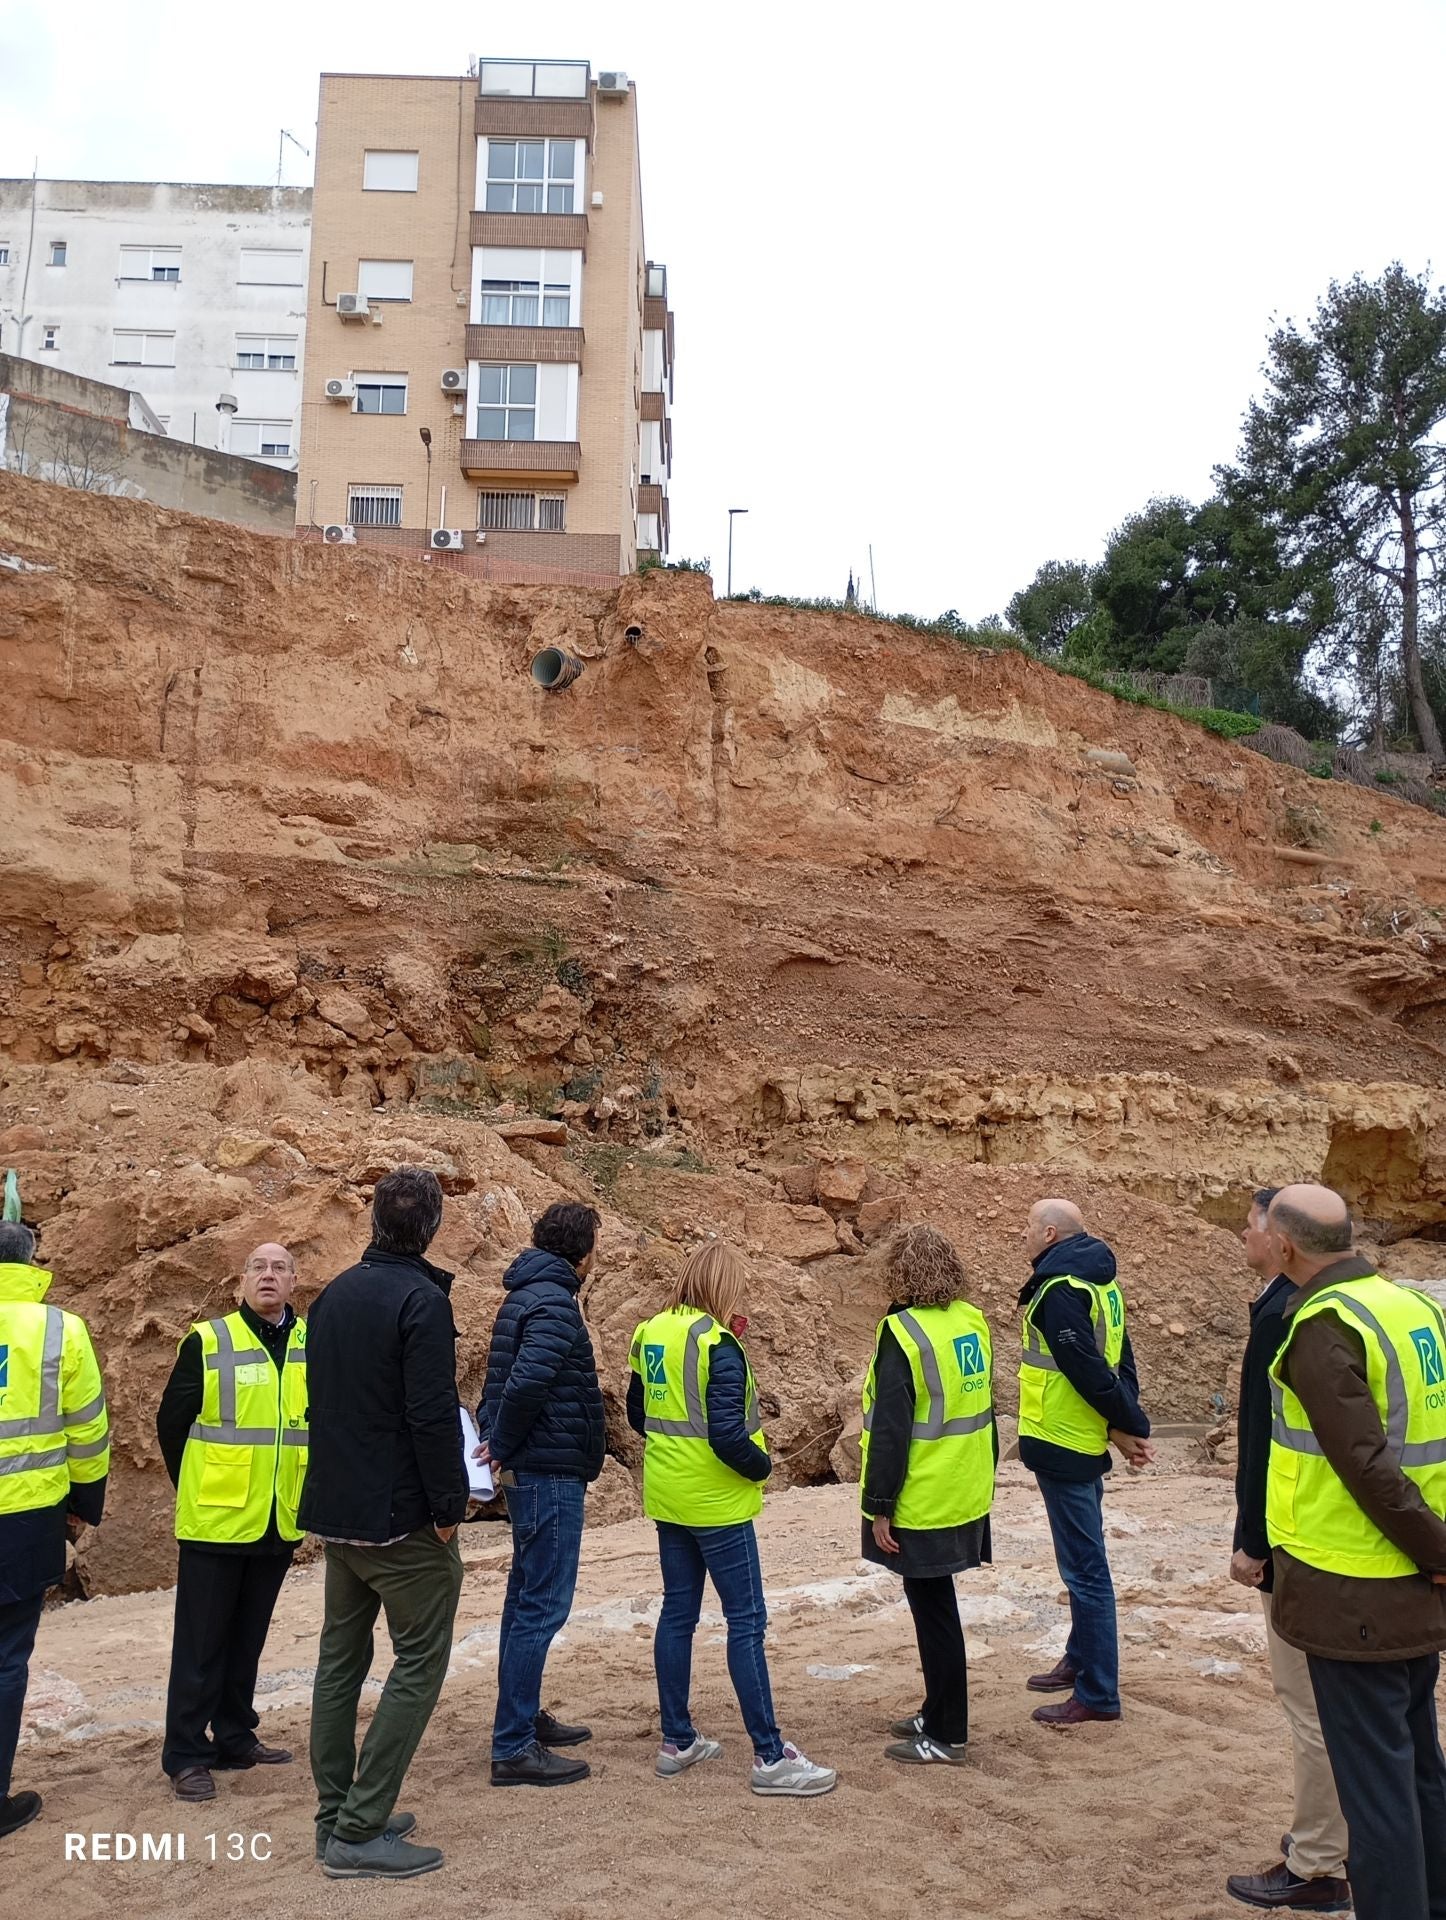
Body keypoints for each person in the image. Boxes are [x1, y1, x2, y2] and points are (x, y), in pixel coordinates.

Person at [1264, 1182, 1446, 1920]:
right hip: (1412, 1585)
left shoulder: (1326, 1323)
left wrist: (1440, 1550)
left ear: (1286, 1246)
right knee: (1417, 1766)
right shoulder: (1414, 1309)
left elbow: (1365, 1466)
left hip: (1357, 1588)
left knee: (1374, 1792)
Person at [302, 1167, 468, 1881]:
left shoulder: (334, 1294)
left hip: (336, 1509)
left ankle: (335, 1814)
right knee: (420, 1661)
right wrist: (449, 1509)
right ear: (431, 1227)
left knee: (341, 1663)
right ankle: (361, 1827)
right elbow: (431, 1417)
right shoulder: (420, 1301)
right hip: (398, 1515)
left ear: (374, 1220)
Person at [628, 1241, 837, 1797]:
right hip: (717, 1501)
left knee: (679, 1614)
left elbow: (635, 1412)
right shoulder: (718, 1344)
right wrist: (762, 1466)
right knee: (746, 1621)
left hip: (669, 1494)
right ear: (723, 1287)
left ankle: (677, 1739)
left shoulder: (650, 1332)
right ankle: (770, 1756)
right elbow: (725, 1432)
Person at [1224, 1190, 1350, 1913]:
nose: (1244, 1233)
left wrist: (1252, 1541)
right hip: (1358, 1545)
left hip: (1306, 1542)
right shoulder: (1379, 1306)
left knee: (1308, 1704)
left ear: (1286, 1240)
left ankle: (1318, 1864)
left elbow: (1265, 1444)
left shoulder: (1287, 1315)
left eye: (1252, 1223)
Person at [156, 1242, 308, 1802]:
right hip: (215, 1520)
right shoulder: (209, 1340)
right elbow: (172, 1425)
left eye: (278, 1268)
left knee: (248, 1639)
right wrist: (201, 1484)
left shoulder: (310, 1344)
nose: (268, 1276)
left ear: (295, 1281)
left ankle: (236, 1735)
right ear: (242, 1280)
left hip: (278, 1516)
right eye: (258, 1267)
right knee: (200, 1644)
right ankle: (187, 1754)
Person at [477, 1202, 606, 1788]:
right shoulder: (555, 1300)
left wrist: (496, 1439)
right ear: (583, 1253)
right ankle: (514, 1745)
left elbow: (499, 1375)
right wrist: (501, 1441)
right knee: (542, 1604)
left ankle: (521, 1719)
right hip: (547, 1469)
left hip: (532, 1467)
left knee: (524, 1598)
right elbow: (528, 1378)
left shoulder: (526, 1291)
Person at [862, 1225, 995, 1767]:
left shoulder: (903, 1333)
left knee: (935, 1613)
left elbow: (891, 1430)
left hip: (925, 1494)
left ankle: (947, 1732)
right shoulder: (971, 1320)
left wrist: (879, 1505)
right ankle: (936, 1709)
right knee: (936, 1609)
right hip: (965, 1488)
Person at [1017, 1197, 1153, 1727]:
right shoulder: (1099, 1282)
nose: (1023, 1235)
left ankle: (1097, 1693)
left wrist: (1130, 1426)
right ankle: (1080, 1659)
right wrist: (1127, 1421)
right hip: (1081, 1438)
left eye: (1030, 1227)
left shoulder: (1060, 1290)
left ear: (1051, 1234)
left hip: (1066, 1442)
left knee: (1085, 1571)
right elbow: (1122, 1360)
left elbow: (1087, 1369)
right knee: (1080, 1563)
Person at [0, 1215, 109, 1838]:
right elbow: (88, 1430)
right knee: (8, 1658)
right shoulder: (60, 1329)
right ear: (33, 1259)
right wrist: (83, 1506)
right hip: (25, 1520)